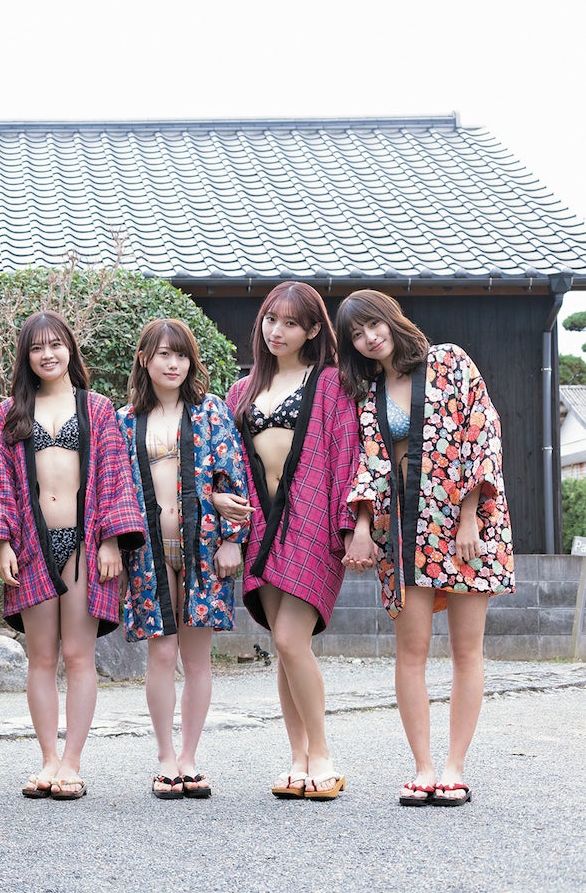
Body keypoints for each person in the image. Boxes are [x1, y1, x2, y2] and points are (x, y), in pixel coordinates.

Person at [337, 289, 513, 807]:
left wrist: (468, 518)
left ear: (392, 319)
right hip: (402, 529)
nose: (369, 338)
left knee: (466, 649)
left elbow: (482, 433)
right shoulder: (368, 394)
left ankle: (455, 768)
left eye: (373, 324)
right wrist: (362, 526)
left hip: (464, 524)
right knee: (411, 651)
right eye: (356, 334)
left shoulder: (450, 361)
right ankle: (423, 768)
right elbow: (370, 463)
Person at [0, 311, 145, 801]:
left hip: (85, 543)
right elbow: (0, 480)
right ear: (26, 357)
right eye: (36, 348)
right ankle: (48, 759)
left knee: (77, 654)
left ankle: (72, 762)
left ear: (69, 348)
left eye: (55, 344)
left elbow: (114, 473)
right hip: (32, 545)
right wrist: (2, 543)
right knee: (42, 657)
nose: (47, 354)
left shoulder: (96, 407)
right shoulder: (11, 411)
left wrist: (112, 539)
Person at [221, 281, 359, 801]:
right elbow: (226, 465)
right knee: (286, 646)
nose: (276, 331)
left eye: (291, 323)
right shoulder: (242, 390)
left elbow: (347, 455)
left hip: (314, 520)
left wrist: (356, 528)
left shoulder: (331, 383)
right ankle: (297, 758)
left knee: (288, 639)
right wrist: (223, 509)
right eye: (270, 319)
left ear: (314, 329)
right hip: (261, 523)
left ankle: (321, 755)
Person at [117, 318, 249, 799]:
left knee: (196, 657)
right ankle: (165, 758)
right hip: (147, 550)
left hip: (204, 547)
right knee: (161, 652)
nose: (173, 364)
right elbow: (115, 491)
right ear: (144, 359)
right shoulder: (125, 419)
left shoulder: (210, 411)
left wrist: (233, 540)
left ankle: (190, 757)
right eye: (163, 354)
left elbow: (232, 476)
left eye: (181, 355)